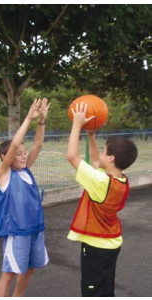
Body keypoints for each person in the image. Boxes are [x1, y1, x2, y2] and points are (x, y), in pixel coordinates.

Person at [66, 102, 138, 297]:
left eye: (106, 152)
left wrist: (77, 125)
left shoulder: (100, 182)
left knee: (93, 292)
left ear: (112, 158)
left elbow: (72, 156)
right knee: (105, 289)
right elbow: (97, 162)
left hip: (97, 246)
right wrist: (91, 135)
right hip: (111, 242)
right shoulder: (120, 180)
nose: (102, 155)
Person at [0, 98, 50, 297]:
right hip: (16, 230)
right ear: (6, 157)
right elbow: (16, 142)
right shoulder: (4, 174)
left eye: (24, 153)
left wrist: (41, 122)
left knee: (29, 269)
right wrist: (28, 119)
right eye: (18, 154)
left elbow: (38, 145)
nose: (23, 156)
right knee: (9, 273)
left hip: (34, 228)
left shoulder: (25, 171)